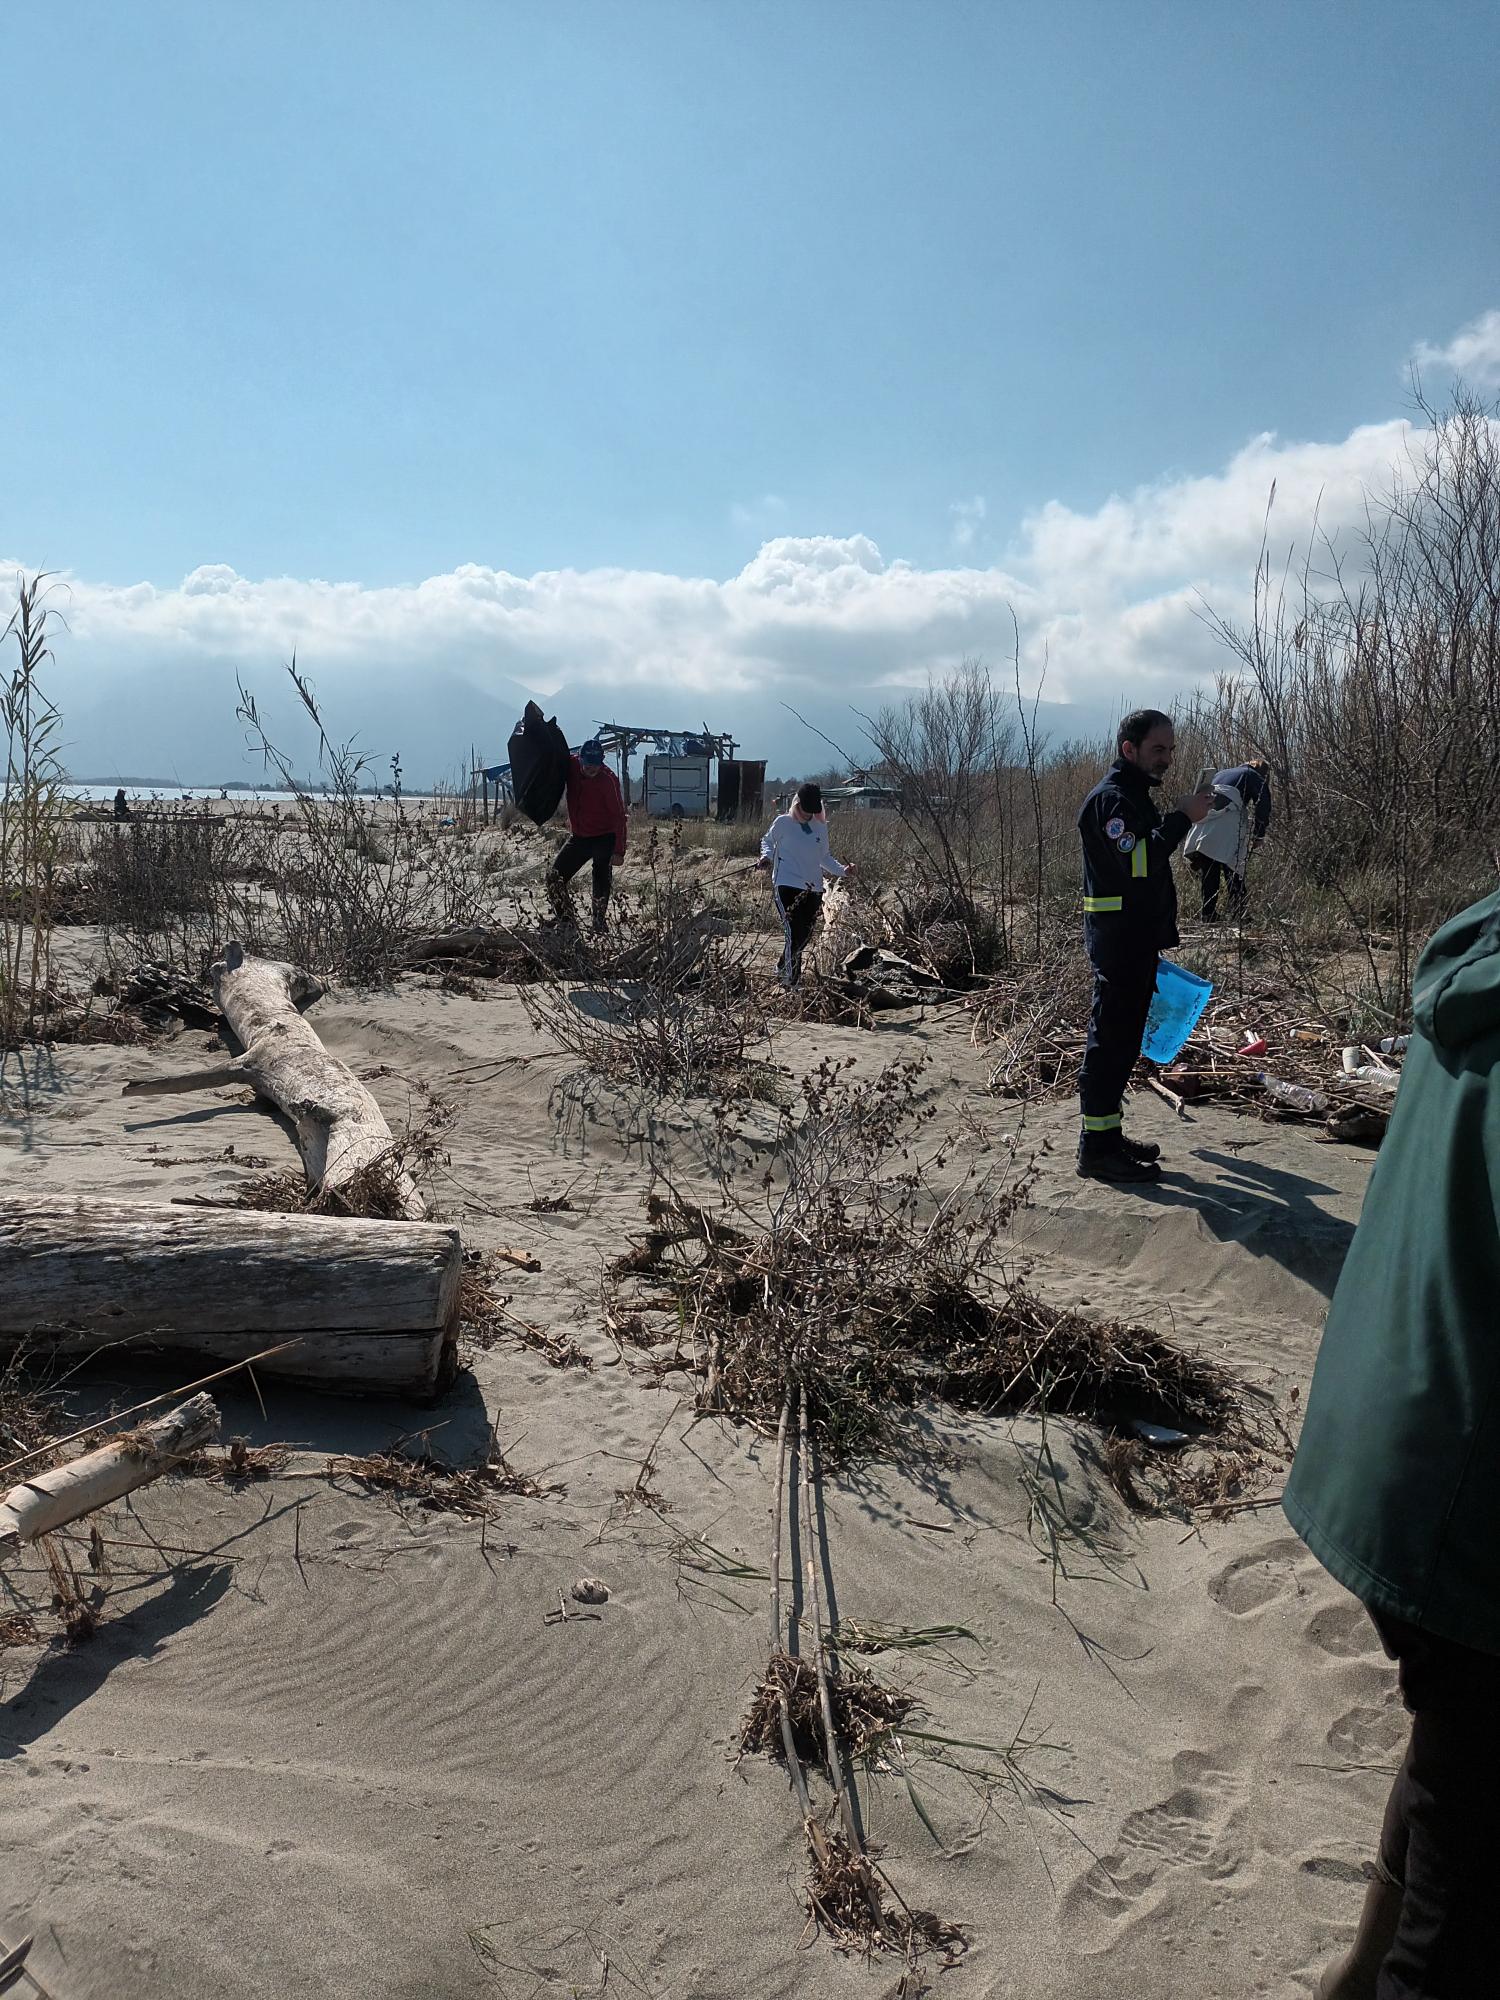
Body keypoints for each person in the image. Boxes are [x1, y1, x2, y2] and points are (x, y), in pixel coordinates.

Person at [1283, 888, 1500, 1999]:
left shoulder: (1482, 947)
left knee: (1456, 1749)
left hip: (1387, 1435)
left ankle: (1357, 1973)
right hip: (1467, 1496)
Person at [1076, 710, 1212, 1183]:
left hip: (1135, 938)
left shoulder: (1132, 796)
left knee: (1124, 1041)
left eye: (1171, 750)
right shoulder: (1110, 801)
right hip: (1118, 941)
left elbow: (1145, 856)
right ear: (1128, 749)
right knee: (1110, 1042)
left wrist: (1174, 816)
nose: (1167, 759)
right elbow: (1137, 860)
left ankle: (1108, 1137)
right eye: (1159, 749)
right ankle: (1096, 1149)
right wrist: (1182, 818)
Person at [757, 782, 853, 989]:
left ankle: (782, 967)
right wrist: (766, 857)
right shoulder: (783, 823)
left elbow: (824, 857)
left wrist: (843, 871)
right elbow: (767, 841)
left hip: (813, 889)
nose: (808, 814)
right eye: (805, 809)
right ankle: (792, 983)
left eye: (813, 810)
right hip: (786, 884)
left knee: (805, 935)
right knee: (793, 931)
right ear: (797, 803)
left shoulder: (819, 826)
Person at [546, 738, 627, 935]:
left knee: (601, 879)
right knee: (554, 877)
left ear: (602, 761)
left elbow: (619, 817)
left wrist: (619, 851)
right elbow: (551, 758)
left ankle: (599, 924)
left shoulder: (609, 780)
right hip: (580, 837)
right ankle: (566, 921)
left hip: (604, 836)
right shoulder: (571, 764)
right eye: (587, 764)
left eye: (596, 765)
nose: (591, 769)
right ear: (580, 759)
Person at [1183, 757, 1272, 920]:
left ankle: (1208, 915)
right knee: (1234, 869)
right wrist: (1259, 834)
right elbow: (1263, 803)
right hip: (1227, 823)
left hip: (1203, 825)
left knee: (1210, 873)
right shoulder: (1253, 775)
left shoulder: (1222, 773)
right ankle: (1240, 915)